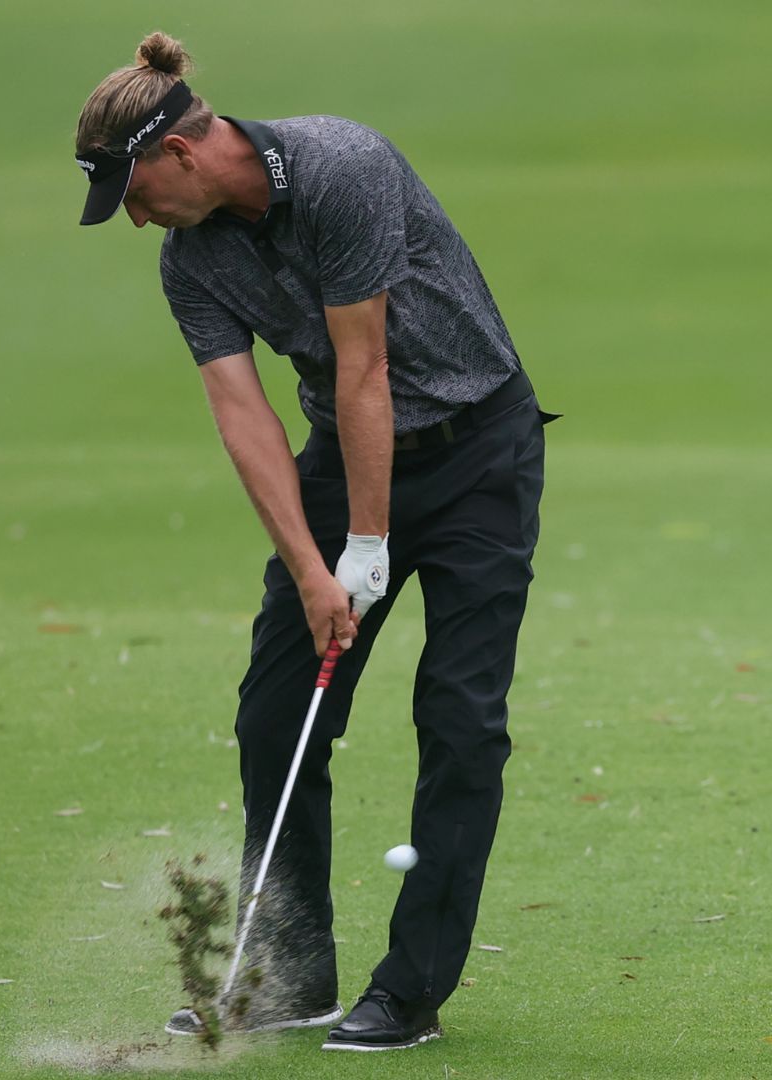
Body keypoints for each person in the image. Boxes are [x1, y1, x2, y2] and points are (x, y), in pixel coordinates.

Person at [73, 32, 553, 1053]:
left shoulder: (344, 167)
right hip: (344, 459)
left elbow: (364, 365)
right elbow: (242, 415)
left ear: (182, 156)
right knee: (277, 712)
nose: (135, 214)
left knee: (460, 720)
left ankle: (410, 991)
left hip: (477, 454)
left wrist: (366, 550)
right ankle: (288, 977)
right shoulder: (189, 260)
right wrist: (309, 566)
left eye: (133, 190)